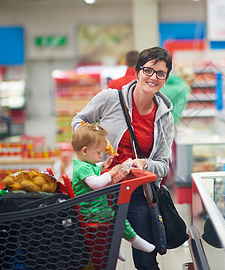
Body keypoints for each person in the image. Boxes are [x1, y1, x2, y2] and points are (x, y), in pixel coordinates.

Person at [72, 46, 175, 269]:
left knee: (146, 259)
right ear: (137, 71)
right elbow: (79, 121)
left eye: (160, 73)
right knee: (97, 257)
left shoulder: (165, 116)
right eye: (148, 70)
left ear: (165, 79)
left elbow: (164, 165)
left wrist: (145, 163)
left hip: (138, 192)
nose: (153, 77)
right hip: (100, 190)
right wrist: (93, 141)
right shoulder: (110, 99)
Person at [71, 123, 155, 262]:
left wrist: (102, 165)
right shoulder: (84, 168)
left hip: (92, 207)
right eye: (98, 153)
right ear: (85, 151)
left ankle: (112, 248)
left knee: (114, 215)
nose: (100, 156)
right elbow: (95, 183)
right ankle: (134, 241)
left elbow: (91, 169)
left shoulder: (81, 164)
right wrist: (110, 173)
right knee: (118, 217)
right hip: (92, 210)